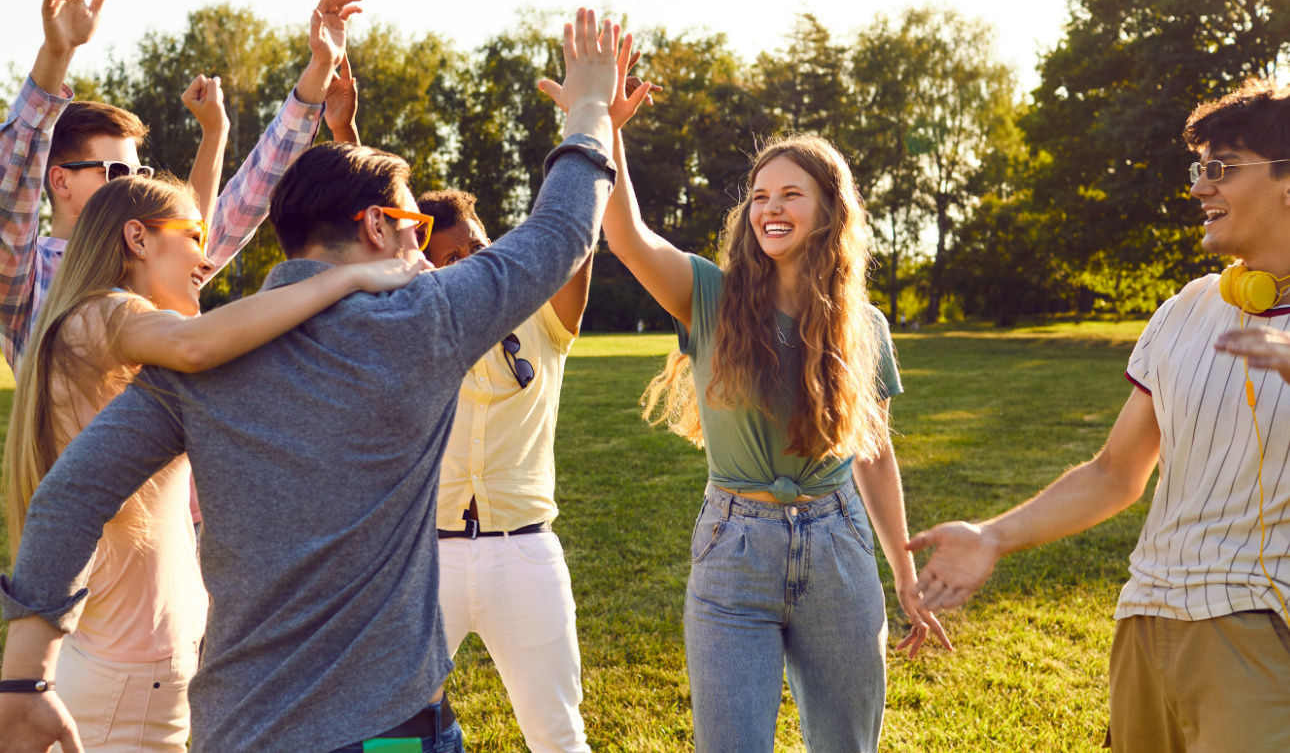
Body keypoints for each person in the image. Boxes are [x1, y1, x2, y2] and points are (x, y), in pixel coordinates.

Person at [0, 7, 621, 753]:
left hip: (239, 733)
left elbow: (70, 492)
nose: (422, 250)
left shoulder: (202, 355)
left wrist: (25, 676)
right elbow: (560, 234)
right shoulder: (424, 321)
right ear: (376, 229)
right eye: (414, 228)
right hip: (388, 736)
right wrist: (588, 113)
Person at [556, 40, 949, 751]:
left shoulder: (864, 327)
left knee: (845, 744)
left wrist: (906, 575)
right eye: (760, 196)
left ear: (830, 209)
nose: (770, 208)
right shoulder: (708, 294)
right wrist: (602, 124)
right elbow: (627, 236)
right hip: (734, 547)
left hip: (838, 547)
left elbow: (876, 455)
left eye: (791, 194)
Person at [907, 78, 1290, 752]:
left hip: (1259, 632)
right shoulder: (1185, 310)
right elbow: (1116, 471)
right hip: (1146, 620)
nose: (1201, 187)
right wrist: (993, 535)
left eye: (1223, 169)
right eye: (1200, 169)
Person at [3, 173, 428, 752]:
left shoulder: (88, 324)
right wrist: (351, 276)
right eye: (195, 237)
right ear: (138, 239)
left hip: (133, 667)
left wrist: (216, 133)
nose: (207, 260)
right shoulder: (103, 314)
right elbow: (196, 344)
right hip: (128, 680)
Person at [0, 0, 361, 368]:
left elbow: (245, 203)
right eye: (115, 172)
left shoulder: (151, 255)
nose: (134, 186)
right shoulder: (27, 277)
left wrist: (317, 73)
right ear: (60, 181)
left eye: (140, 173)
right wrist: (56, 53)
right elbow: (12, 184)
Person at [418, 186, 595, 752]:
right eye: (450, 259)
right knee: (384, 727)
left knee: (558, 734)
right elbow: (375, 234)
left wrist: (596, 128)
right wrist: (346, 136)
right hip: (426, 559)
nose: (472, 265)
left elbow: (576, 234)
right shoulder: (415, 324)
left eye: (478, 246)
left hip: (524, 552)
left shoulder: (543, 315)